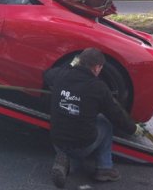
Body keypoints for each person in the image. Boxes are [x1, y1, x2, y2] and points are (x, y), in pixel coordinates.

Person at [43, 48, 144, 188]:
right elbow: (116, 114)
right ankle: (104, 169)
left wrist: (70, 65)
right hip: (81, 144)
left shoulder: (61, 74)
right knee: (105, 122)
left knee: (74, 153)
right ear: (97, 67)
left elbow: (47, 75)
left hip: (57, 140)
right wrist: (133, 129)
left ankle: (67, 163)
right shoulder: (98, 87)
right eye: (101, 68)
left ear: (80, 61)